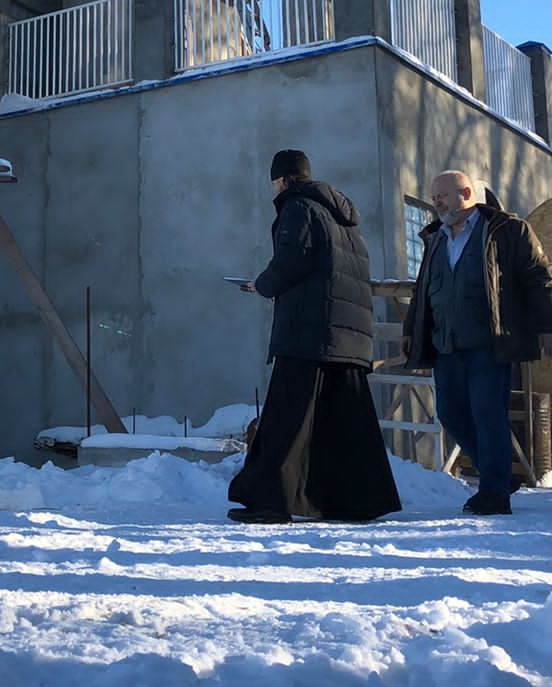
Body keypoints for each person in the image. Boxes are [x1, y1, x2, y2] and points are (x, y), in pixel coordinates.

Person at [227, 149, 401, 524]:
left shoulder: (298, 207)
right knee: (341, 423)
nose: (272, 190)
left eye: (273, 182)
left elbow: (291, 261)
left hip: (310, 334)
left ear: (285, 179)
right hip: (348, 338)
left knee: (286, 419)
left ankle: (270, 501)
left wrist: (261, 285)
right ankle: (356, 502)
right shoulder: (345, 220)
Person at [403, 170, 552, 516]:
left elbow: (538, 279)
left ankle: (494, 491)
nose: (435, 202)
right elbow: (423, 288)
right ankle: (496, 471)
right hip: (446, 344)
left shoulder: (506, 232)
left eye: (442, 195)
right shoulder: (435, 238)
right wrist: (411, 330)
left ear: (466, 193)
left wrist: (547, 326)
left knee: (488, 413)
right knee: (450, 413)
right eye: (434, 195)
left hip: (489, 341)